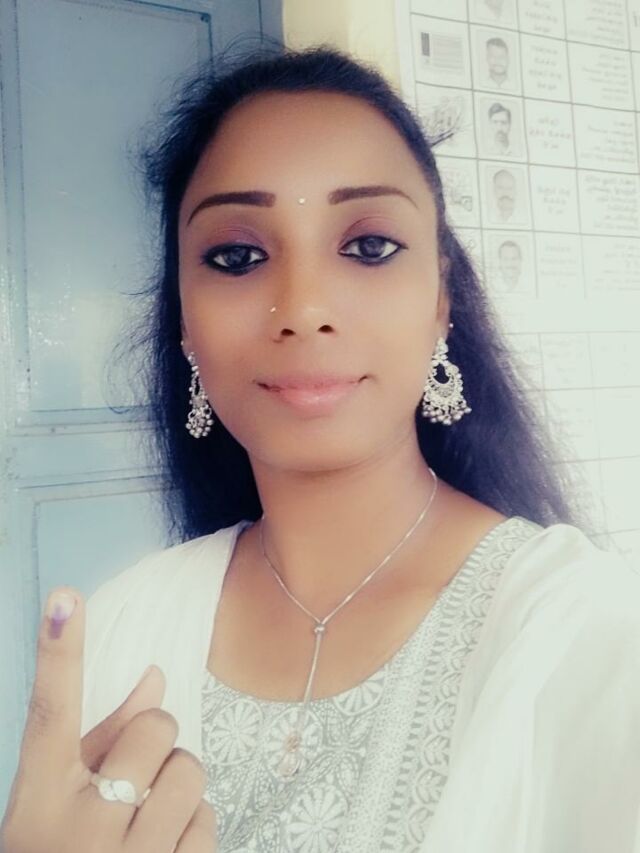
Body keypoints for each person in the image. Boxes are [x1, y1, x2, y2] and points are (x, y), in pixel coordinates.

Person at [3, 46, 640, 853]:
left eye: (369, 246)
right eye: (237, 257)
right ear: (185, 321)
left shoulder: (588, 638)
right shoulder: (128, 623)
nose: (303, 308)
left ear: (442, 298)